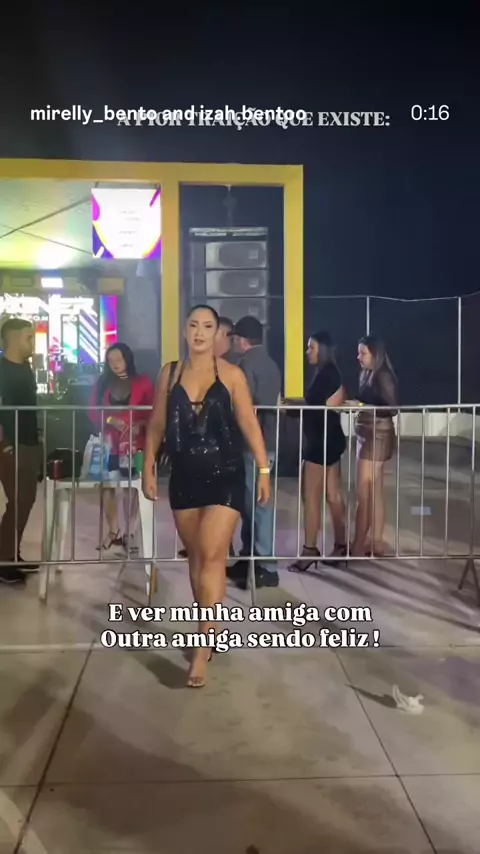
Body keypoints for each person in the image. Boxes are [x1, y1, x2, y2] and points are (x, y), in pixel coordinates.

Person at [143, 305, 271, 688]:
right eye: (194, 325)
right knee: (197, 559)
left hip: (225, 475)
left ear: (218, 334)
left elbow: (248, 422)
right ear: (185, 330)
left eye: (207, 326)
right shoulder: (169, 374)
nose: (199, 332)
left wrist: (264, 469)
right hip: (184, 475)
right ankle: (209, 627)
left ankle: (202, 647)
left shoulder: (231, 375)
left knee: (214, 554)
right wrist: (147, 465)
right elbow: (157, 424)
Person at [228, 316, 281, 588]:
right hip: (268, 440)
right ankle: (250, 558)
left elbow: (243, 404)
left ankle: (265, 565)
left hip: (253, 443)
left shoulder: (245, 364)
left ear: (241, 339)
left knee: (258, 505)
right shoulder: (270, 363)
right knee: (254, 504)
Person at [289, 331, 347, 572]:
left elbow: (313, 407)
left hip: (321, 443)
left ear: (321, 349)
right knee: (332, 495)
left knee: (311, 496)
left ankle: (310, 549)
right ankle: (341, 545)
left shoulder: (326, 375)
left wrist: (288, 407)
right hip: (329, 439)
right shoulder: (329, 373)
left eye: (310, 348)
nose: (307, 352)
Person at [90, 343, 154, 553]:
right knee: (106, 485)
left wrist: (141, 425)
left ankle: (130, 532)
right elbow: (93, 411)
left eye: (119, 359)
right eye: (111, 361)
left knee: (131, 489)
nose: (115, 364)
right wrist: (110, 420)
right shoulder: (102, 383)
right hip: (110, 444)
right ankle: (113, 530)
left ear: (128, 359)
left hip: (134, 444)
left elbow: (153, 411)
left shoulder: (143, 382)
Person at [0, 318, 42, 584]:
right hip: (11, 444)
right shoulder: (2, 370)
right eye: (28, 337)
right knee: (19, 500)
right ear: (14, 339)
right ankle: (5, 561)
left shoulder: (25, 368)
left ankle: (10, 554)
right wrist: (4, 442)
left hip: (28, 442)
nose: (32, 342)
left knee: (25, 501)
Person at [351, 334, 398, 557]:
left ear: (375, 354)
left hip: (376, 435)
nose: (358, 357)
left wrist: (361, 405)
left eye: (363, 353)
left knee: (364, 492)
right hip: (369, 433)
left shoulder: (383, 375)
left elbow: (392, 408)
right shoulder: (368, 374)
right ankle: (375, 542)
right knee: (374, 491)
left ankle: (359, 545)